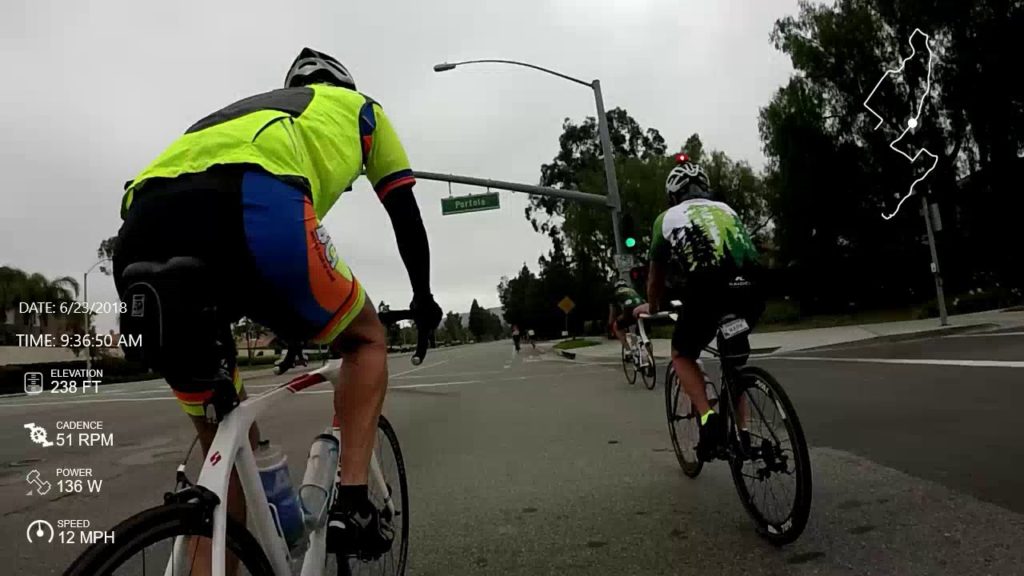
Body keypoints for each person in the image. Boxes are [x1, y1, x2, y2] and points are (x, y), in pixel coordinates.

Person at [113, 47, 443, 564]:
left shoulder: (243, 111)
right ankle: (352, 502)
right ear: (344, 83)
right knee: (365, 338)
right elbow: (405, 213)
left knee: (225, 477)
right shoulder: (361, 108)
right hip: (254, 202)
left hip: (140, 235)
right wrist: (423, 299)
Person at [632, 156, 762, 460]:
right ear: (704, 187)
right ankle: (743, 436)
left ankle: (708, 418)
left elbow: (655, 278)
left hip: (708, 292)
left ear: (673, 195)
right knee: (734, 365)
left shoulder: (666, 218)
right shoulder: (727, 209)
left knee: (681, 354)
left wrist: (651, 307)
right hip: (752, 291)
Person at [608, 278, 646, 354]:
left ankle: (628, 350)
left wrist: (610, 324)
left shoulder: (615, 293)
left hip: (629, 307)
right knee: (632, 325)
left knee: (616, 326)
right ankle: (635, 346)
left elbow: (612, 313)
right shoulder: (632, 290)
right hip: (641, 306)